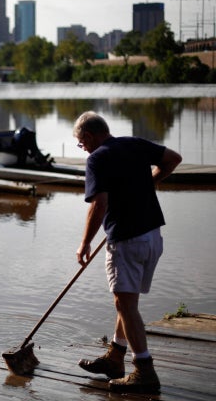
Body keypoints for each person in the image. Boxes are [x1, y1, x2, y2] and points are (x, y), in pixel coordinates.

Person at [72, 111, 182, 394]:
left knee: (125, 305)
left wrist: (84, 243)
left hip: (127, 241)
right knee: (126, 301)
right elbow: (173, 159)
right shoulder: (134, 143)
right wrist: (149, 182)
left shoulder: (96, 159)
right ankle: (115, 357)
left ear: (88, 136)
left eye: (80, 143)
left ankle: (144, 371)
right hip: (152, 237)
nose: (82, 148)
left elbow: (99, 205)